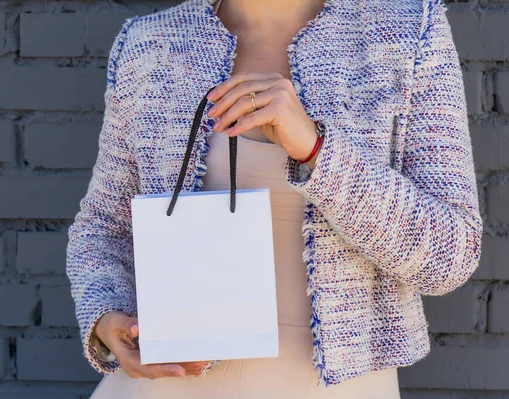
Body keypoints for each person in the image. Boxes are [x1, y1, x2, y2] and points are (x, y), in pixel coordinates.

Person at [66, 0, 483, 397]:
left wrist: (316, 151)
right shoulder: (150, 43)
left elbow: (451, 255)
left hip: (336, 390)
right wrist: (107, 317)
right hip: (169, 385)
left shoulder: (405, 32)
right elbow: (104, 227)